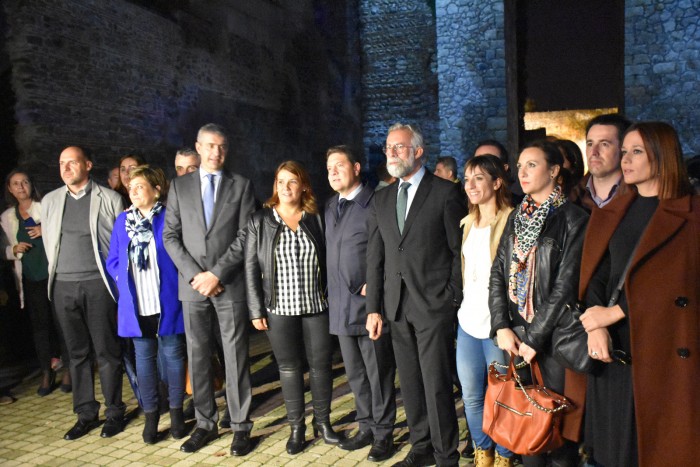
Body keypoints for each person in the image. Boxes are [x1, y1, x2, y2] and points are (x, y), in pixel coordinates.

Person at [578, 122, 699, 466]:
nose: (626, 160)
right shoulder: (613, 212)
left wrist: (616, 313)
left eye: (637, 152)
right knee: (611, 453)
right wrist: (596, 325)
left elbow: (681, 283)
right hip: (612, 353)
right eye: (625, 151)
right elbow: (596, 275)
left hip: (662, 351)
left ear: (661, 157)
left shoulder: (691, 215)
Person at [366, 123, 467, 467]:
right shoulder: (381, 198)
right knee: (409, 382)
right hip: (395, 305)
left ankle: (445, 455)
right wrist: (374, 308)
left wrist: (451, 298)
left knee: (437, 383)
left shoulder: (445, 192)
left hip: (433, 304)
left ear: (418, 152)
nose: (392, 153)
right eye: (388, 148)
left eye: (400, 147)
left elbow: (459, 251)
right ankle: (421, 446)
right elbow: (376, 256)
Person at [489, 140, 588, 467]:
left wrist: (535, 339)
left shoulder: (573, 218)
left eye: (532, 164)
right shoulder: (518, 215)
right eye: (520, 166)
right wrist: (500, 325)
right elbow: (498, 274)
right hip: (516, 335)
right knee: (526, 430)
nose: (523, 171)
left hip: (555, 339)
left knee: (557, 431)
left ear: (555, 170)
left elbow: (565, 287)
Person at [163, 123, 256, 455]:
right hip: (192, 288)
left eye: (222, 146)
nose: (216, 152)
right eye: (210, 146)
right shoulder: (179, 187)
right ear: (198, 147)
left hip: (228, 284)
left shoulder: (241, 185)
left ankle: (241, 425)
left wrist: (216, 273)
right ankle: (205, 423)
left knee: (236, 356)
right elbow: (170, 237)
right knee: (198, 356)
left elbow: (246, 235)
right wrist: (195, 275)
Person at [245, 160, 340, 455]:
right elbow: (250, 268)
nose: (286, 187)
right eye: (281, 181)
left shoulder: (316, 217)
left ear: (304, 187)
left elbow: (330, 259)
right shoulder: (259, 221)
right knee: (288, 368)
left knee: (321, 367)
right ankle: (297, 427)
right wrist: (256, 309)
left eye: (293, 182)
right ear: (275, 186)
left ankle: (322, 423)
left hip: (316, 305)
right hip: (278, 308)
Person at [41, 146, 126, 440]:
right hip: (63, 285)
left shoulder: (109, 198)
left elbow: (120, 243)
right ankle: (86, 413)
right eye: (61, 162)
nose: (65, 168)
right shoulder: (50, 201)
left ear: (87, 165)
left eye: (72, 162)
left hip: (98, 284)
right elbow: (50, 242)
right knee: (76, 354)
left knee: (107, 350)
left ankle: (115, 411)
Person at [325, 146, 397, 462]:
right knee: (355, 375)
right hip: (340, 305)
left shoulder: (375, 204)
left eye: (339, 165)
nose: (333, 172)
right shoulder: (330, 206)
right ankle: (366, 426)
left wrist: (377, 290)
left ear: (356, 168)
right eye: (329, 168)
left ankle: (384, 434)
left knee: (378, 374)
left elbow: (390, 251)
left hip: (368, 306)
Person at [106, 165, 187, 444]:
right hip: (136, 305)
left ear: (156, 190)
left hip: (166, 300)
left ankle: (177, 413)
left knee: (174, 356)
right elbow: (113, 259)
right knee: (144, 360)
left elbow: (179, 253)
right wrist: (121, 279)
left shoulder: (168, 217)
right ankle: (151, 415)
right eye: (131, 187)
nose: (134, 191)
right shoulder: (122, 221)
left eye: (140, 186)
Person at [455, 156, 514, 467]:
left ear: (496, 182)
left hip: (496, 325)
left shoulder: (510, 220)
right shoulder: (466, 222)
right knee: (472, 396)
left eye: (479, 178)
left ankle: (505, 455)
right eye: (467, 179)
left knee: (502, 395)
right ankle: (483, 452)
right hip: (467, 322)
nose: (471, 185)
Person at [1, 169, 70, 396]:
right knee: (40, 327)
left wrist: (44, 230)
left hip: (52, 274)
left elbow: (63, 233)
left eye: (25, 182)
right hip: (30, 277)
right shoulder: (7, 217)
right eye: (16, 183)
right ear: (10, 189)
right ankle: (46, 373)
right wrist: (14, 249)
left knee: (61, 322)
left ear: (32, 185)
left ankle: (69, 368)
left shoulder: (45, 207)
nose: (21, 187)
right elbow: (4, 249)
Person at [581, 114, 631, 211]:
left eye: (604, 144)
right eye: (590, 144)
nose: (594, 152)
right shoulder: (572, 197)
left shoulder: (639, 196)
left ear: (623, 149)